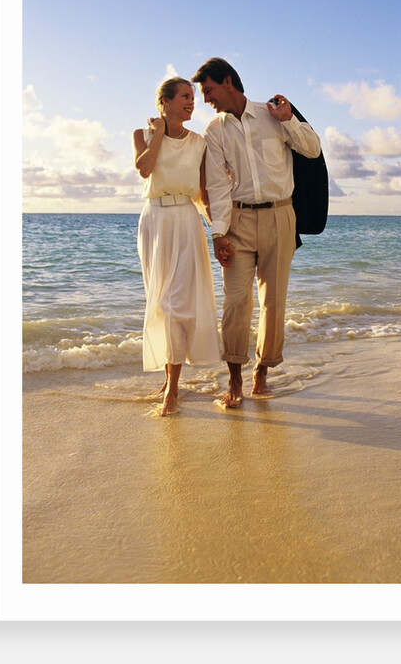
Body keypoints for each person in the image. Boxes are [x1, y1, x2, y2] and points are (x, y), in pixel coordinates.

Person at [191, 57, 321, 408]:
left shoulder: (272, 113)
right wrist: (218, 233)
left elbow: (312, 149)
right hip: (239, 221)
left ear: (228, 82)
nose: (206, 99)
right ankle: (234, 379)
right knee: (235, 302)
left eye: (209, 90)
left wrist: (289, 120)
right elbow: (217, 186)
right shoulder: (214, 131)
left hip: (281, 216)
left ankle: (262, 371)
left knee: (273, 301)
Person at [132, 77, 220, 416]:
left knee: (176, 305)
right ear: (165, 102)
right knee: (160, 302)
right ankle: (169, 378)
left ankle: (172, 388)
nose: (191, 102)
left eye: (193, 97)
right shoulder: (141, 136)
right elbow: (145, 169)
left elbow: (204, 194)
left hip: (185, 220)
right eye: (185, 96)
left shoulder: (199, 143)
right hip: (154, 222)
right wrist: (157, 135)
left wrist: (220, 233)